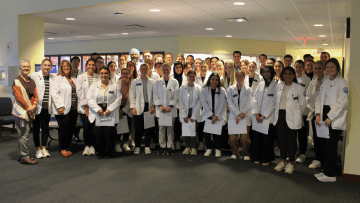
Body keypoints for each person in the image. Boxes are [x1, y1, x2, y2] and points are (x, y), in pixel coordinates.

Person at [314, 58, 349, 182]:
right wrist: (318, 114)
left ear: (337, 69)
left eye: (332, 67)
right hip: (323, 114)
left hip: (334, 117)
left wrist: (330, 117)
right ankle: (325, 170)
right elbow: (318, 98)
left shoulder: (343, 82)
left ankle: (331, 175)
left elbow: (341, 103)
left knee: (331, 146)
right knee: (324, 145)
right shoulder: (325, 81)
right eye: (327, 67)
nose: (329, 69)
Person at [273, 67, 306, 174]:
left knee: (292, 141)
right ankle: (283, 161)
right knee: (282, 141)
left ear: (293, 75)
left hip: (293, 116)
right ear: (282, 75)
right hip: (280, 116)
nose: (287, 76)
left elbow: (303, 104)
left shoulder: (299, 88)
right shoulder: (278, 86)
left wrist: (296, 114)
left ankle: (290, 163)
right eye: (285, 73)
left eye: (290, 74)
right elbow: (275, 101)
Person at [87, 66, 121, 159]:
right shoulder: (94, 85)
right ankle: (100, 151)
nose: (104, 75)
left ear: (109, 74)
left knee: (108, 132)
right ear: (99, 74)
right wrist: (98, 109)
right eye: (101, 73)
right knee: (98, 132)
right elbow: (89, 99)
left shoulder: (115, 85)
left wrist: (110, 109)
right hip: (98, 111)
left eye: (106, 73)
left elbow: (118, 99)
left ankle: (108, 152)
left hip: (109, 111)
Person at [13, 59, 38, 164]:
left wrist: (34, 105)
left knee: (25, 134)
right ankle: (25, 157)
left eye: (27, 66)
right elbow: (19, 98)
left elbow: (36, 95)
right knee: (24, 134)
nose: (26, 68)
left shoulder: (31, 81)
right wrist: (29, 108)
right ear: (20, 68)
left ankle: (22, 155)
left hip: (29, 110)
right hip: (21, 112)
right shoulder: (17, 81)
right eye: (24, 66)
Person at [51, 60, 78, 157]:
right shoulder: (58, 79)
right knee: (64, 128)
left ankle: (67, 147)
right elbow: (54, 93)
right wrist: (59, 106)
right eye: (64, 66)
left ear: (71, 68)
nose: (66, 68)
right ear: (61, 68)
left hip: (74, 108)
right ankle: (62, 148)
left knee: (71, 129)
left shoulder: (74, 79)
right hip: (63, 109)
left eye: (68, 66)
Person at [251, 65, 277, 165]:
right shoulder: (260, 84)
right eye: (264, 71)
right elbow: (255, 99)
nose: (266, 73)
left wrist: (264, 115)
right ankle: (257, 157)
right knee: (257, 138)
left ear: (272, 73)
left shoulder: (276, 85)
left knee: (267, 139)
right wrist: (257, 113)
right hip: (258, 116)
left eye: (268, 71)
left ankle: (266, 159)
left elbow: (274, 103)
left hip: (267, 117)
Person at [30, 59, 54, 159]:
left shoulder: (53, 77)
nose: (46, 67)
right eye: (45, 65)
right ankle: (38, 149)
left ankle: (44, 148)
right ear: (41, 65)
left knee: (45, 128)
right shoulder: (34, 75)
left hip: (47, 107)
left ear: (51, 67)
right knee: (36, 129)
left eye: (49, 65)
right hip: (37, 107)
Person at [130, 63, 156, 155]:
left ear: (148, 70)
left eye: (146, 69)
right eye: (142, 69)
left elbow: (154, 95)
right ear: (140, 70)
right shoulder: (135, 81)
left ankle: (147, 146)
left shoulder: (152, 82)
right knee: (138, 128)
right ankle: (137, 146)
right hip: (138, 107)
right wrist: (133, 107)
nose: (144, 71)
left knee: (148, 128)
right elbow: (132, 95)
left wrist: (153, 106)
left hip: (148, 107)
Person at [154, 63, 179, 155]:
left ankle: (169, 146)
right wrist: (160, 106)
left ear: (170, 70)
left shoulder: (175, 81)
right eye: (163, 69)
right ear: (161, 70)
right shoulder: (157, 82)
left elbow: (177, 95)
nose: (165, 71)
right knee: (161, 129)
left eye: (167, 69)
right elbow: (155, 95)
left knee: (170, 128)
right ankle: (162, 146)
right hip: (161, 109)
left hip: (170, 110)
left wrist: (170, 106)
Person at [227, 70, 253, 160]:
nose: (239, 78)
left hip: (245, 116)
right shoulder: (230, 89)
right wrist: (238, 114)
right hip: (234, 116)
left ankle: (245, 153)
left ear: (244, 77)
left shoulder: (248, 90)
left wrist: (242, 114)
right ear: (235, 77)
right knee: (233, 138)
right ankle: (235, 153)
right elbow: (230, 103)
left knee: (244, 138)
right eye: (237, 76)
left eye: (241, 76)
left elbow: (250, 103)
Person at [306, 61, 327, 169]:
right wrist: (313, 110)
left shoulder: (328, 82)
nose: (317, 70)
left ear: (323, 68)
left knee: (324, 138)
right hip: (314, 113)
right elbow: (308, 98)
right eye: (316, 68)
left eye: (319, 68)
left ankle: (325, 160)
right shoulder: (312, 82)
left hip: (325, 114)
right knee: (316, 137)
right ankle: (318, 159)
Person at [200, 72, 227, 157]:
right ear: (209, 80)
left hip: (218, 115)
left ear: (218, 81)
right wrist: (211, 115)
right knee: (207, 133)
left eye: (216, 80)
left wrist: (217, 115)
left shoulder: (222, 90)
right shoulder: (204, 90)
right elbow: (204, 103)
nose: (214, 81)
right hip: (208, 115)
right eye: (212, 79)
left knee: (217, 133)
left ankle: (217, 149)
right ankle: (208, 149)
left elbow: (223, 103)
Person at [76, 59, 100, 156]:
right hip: (84, 107)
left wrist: (93, 106)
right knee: (86, 127)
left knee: (94, 128)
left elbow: (98, 93)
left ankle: (92, 146)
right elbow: (79, 92)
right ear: (86, 66)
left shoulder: (98, 77)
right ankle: (86, 146)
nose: (91, 66)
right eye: (89, 65)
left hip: (94, 107)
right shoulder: (80, 77)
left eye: (93, 65)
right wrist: (86, 106)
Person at [178, 70, 202, 155]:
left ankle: (193, 147)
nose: (191, 78)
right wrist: (184, 115)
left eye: (193, 76)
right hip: (185, 111)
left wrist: (194, 116)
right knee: (185, 131)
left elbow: (200, 102)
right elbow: (180, 101)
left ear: (195, 77)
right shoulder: (182, 88)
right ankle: (187, 147)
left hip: (194, 112)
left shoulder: (199, 88)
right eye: (190, 76)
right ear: (187, 77)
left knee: (193, 131)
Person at [293, 60, 311, 164]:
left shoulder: (307, 80)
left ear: (303, 68)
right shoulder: (291, 78)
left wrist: (301, 111)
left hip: (303, 112)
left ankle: (302, 153)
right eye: (296, 67)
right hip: (292, 111)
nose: (298, 69)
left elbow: (307, 97)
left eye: (300, 67)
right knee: (292, 134)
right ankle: (293, 152)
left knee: (302, 134)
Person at [115, 68, 133, 152]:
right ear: (121, 74)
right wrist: (119, 110)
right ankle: (117, 143)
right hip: (117, 108)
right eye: (123, 73)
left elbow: (133, 99)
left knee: (127, 126)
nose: (125, 75)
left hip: (127, 109)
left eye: (127, 73)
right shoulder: (116, 84)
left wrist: (124, 110)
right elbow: (113, 98)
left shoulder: (133, 85)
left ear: (130, 74)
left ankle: (125, 142)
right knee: (117, 127)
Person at [172, 62, 184, 150]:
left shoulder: (185, 79)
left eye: (180, 67)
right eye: (176, 67)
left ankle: (178, 141)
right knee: (173, 124)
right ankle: (173, 141)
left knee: (179, 124)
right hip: (172, 105)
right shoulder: (171, 78)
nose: (178, 69)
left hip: (182, 105)